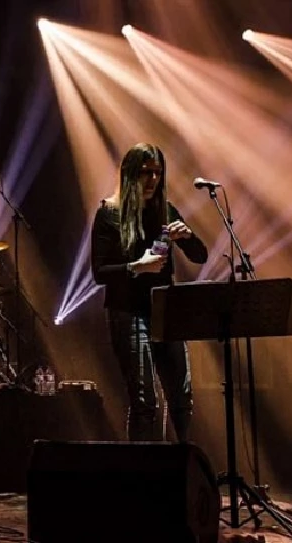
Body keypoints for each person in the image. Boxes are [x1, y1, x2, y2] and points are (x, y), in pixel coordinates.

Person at [90, 142, 207, 443]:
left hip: (166, 311)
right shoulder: (109, 214)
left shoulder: (166, 211)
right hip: (129, 312)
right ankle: (142, 475)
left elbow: (201, 256)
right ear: (130, 175)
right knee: (145, 403)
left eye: (157, 173)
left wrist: (189, 236)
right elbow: (99, 272)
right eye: (145, 173)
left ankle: (180, 469)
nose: (153, 180)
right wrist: (135, 267)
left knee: (182, 397)